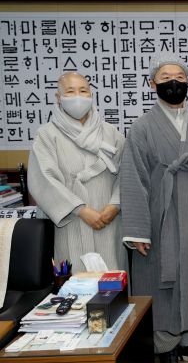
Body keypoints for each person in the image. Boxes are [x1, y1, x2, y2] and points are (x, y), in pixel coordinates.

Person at [120, 52, 188, 363]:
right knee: (158, 280)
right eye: (165, 78)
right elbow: (132, 179)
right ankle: (166, 348)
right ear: (153, 84)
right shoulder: (141, 128)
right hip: (158, 215)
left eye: (179, 77)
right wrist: (138, 230)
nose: (173, 82)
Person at [28, 72, 125, 273]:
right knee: (74, 283)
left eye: (83, 91)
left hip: (109, 221)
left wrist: (114, 206)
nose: (78, 97)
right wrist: (82, 210)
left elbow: (128, 174)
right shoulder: (46, 135)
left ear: (91, 95)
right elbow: (44, 180)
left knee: (113, 279)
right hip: (70, 221)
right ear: (58, 97)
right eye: (70, 92)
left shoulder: (111, 133)